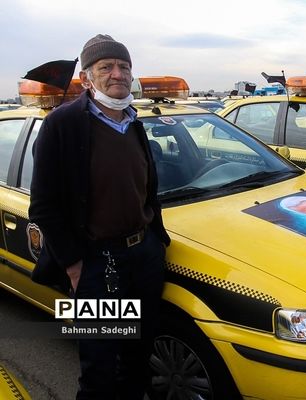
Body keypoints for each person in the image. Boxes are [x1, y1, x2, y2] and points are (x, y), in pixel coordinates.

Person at [29, 34, 170, 400]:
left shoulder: (133, 121)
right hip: (97, 264)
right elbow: (43, 205)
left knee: (139, 355)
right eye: (106, 66)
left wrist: (156, 241)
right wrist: (76, 267)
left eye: (123, 66)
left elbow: (146, 187)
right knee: (101, 367)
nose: (117, 73)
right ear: (88, 78)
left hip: (144, 257)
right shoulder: (62, 124)